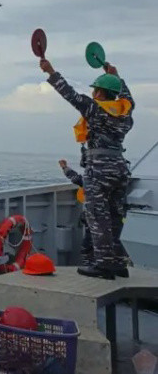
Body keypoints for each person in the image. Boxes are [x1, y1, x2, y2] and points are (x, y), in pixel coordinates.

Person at [40, 58, 134, 279]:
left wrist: (51, 71)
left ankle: (104, 266)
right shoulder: (125, 113)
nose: (93, 94)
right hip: (120, 169)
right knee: (115, 216)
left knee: (97, 218)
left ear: (100, 93)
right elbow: (127, 97)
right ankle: (117, 263)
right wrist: (117, 76)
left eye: (95, 91)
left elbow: (69, 94)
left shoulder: (94, 110)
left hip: (99, 170)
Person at [59, 159, 130, 272]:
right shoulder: (121, 180)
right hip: (116, 218)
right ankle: (119, 266)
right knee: (116, 240)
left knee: (89, 245)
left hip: (98, 220)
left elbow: (77, 179)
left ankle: (94, 266)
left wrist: (65, 168)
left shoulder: (98, 180)